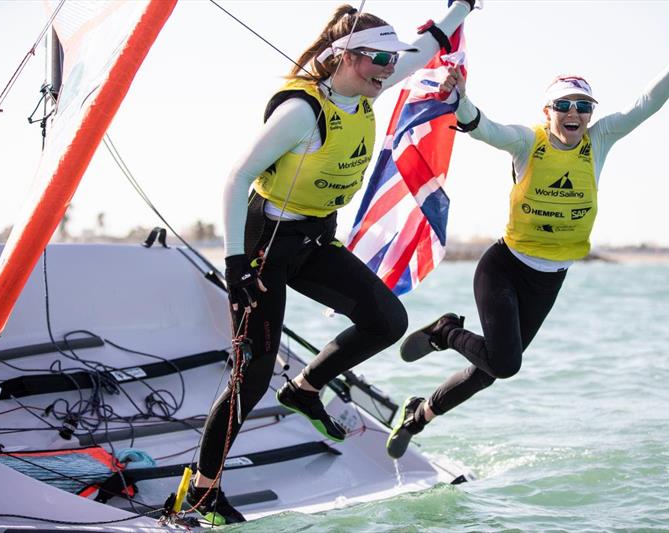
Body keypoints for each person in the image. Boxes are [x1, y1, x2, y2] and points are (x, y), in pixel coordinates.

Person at [186, 1, 479, 524]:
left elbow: (427, 44)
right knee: (250, 378)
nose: (390, 69)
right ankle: (201, 493)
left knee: (387, 320)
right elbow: (236, 177)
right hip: (263, 249)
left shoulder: (371, 84)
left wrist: (463, 6)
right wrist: (236, 268)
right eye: (379, 60)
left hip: (315, 241)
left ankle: (304, 388)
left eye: (392, 61)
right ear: (345, 57)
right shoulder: (302, 111)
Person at [387, 17, 669, 459]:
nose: (574, 113)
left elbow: (644, 105)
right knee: (505, 363)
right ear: (548, 111)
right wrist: (458, 99)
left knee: (489, 370)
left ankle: (418, 416)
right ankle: (445, 330)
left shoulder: (600, 140)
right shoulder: (526, 143)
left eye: (583, 106)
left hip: (549, 279)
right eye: (565, 105)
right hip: (503, 267)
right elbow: (483, 127)